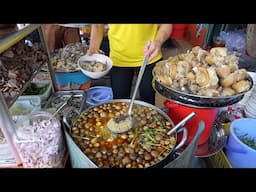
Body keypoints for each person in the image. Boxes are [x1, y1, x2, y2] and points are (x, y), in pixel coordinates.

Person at [87, 24, 173, 105]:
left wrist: (158, 42)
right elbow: (98, 25)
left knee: (148, 100)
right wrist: (93, 49)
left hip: (149, 57)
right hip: (119, 59)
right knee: (119, 102)